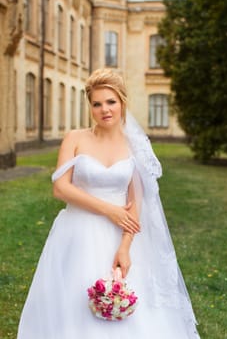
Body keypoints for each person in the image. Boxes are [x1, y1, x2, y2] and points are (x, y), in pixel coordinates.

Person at [17, 69, 200, 339]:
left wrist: (125, 246)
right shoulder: (75, 138)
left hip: (120, 234)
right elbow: (60, 188)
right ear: (90, 106)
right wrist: (109, 210)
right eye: (97, 103)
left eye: (111, 102)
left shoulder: (135, 146)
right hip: (76, 231)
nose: (104, 109)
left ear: (123, 102)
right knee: (72, 301)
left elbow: (135, 202)